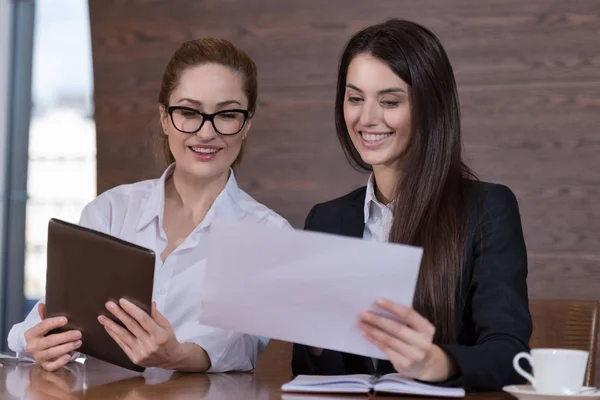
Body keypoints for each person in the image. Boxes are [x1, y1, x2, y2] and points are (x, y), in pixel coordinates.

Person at [8, 37, 290, 373]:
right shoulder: (110, 211)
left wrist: (179, 355)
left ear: (246, 125)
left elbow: (243, 345)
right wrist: (37, 341)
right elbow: (47, 317)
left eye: (227, 114)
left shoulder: (269, 234)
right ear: (165, 118)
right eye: (188, 112)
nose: (205, 133)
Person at [291, 19, 532, 391]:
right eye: (355, 98)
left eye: (389, 101)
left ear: (429, 108)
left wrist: (437, 362)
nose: (366, 118)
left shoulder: (487, 209)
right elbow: (307, 371)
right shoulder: (327, 218)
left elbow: (512, 357)